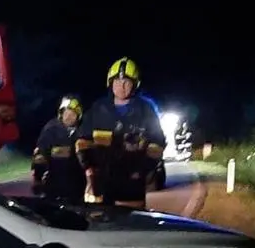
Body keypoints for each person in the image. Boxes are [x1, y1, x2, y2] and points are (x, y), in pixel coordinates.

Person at [75, 57, 166, 209]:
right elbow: (82, 141)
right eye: (117, 81)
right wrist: (89, 168)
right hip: (101, 182)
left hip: (131, 183)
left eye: (127, 82)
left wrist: (143, 171)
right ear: (110, 83)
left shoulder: (145, 110)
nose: (121, 86)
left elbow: (157, 144)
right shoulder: (98, 109)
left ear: (135, 84)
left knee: (130, 227)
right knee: (98, 225)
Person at [31, 95, 86, 203]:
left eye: (72, 114)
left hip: (77, 189)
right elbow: (40, 156)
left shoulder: (83, 131)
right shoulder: (51, 130)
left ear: (78, 115)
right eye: (65, 113)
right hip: (54, 188)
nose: (68, 116)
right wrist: (37, 179)